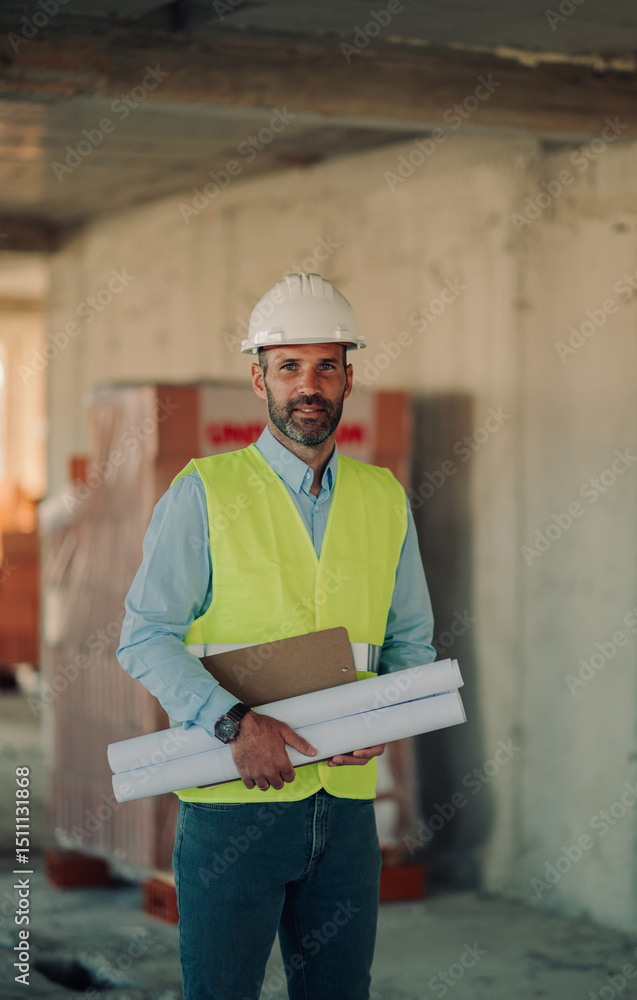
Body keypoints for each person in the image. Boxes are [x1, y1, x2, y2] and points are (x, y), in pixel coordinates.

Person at [117, 271, 436, 1000]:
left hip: (347, 812)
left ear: (349, 377)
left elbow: (411, 639)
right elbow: (144, 636)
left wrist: (385, 712)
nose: (308, 384)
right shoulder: (202, 492)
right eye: (288, 366)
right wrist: (233, 724)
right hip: (233, 811)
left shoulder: (382, 497)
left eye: (325, 365)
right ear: (256, 378)